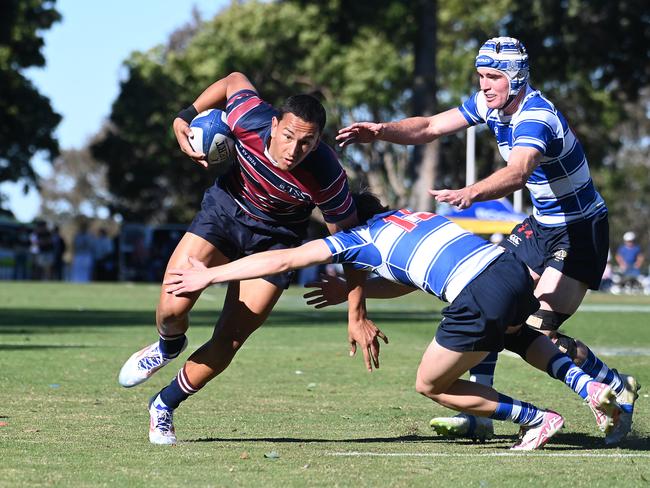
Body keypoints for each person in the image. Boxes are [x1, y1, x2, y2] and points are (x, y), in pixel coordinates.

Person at [335, 37, 639, 444]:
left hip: (580, 231)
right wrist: (381, 131)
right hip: (541, 225)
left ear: (515, 78)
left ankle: (614, 385)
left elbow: (517, 172)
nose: (485, 85)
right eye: (481, 76)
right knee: (494, 295)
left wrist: (470, 193)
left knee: (537, 328)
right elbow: (428, 126)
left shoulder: (536, 118)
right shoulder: (488, 105)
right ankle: (480, 415)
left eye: (494, 77)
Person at [164, 192, 620, 449]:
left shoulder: (359, 238)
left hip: (479, 292)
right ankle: (591, 387)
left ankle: (535, 419)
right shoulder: (413, 216)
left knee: (431, 384)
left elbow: (284, 258)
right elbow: (413, 277)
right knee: (517, 337)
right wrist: (353, 292)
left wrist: (212, 273)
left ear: (345, 222)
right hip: (508, 270)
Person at [117, 72, 385, 444]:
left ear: (318, 142)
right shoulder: (248, 117)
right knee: (171, 309)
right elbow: (233, 80)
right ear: (274, 125)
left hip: (276, 242)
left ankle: (163, 405)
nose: (294, 150)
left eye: (306, 143)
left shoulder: (327, 176)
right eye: (288, 136)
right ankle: (168, 346)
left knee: (229, 340)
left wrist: (358, 314)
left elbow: (351, 245)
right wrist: (183, 116)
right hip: (224, 213)